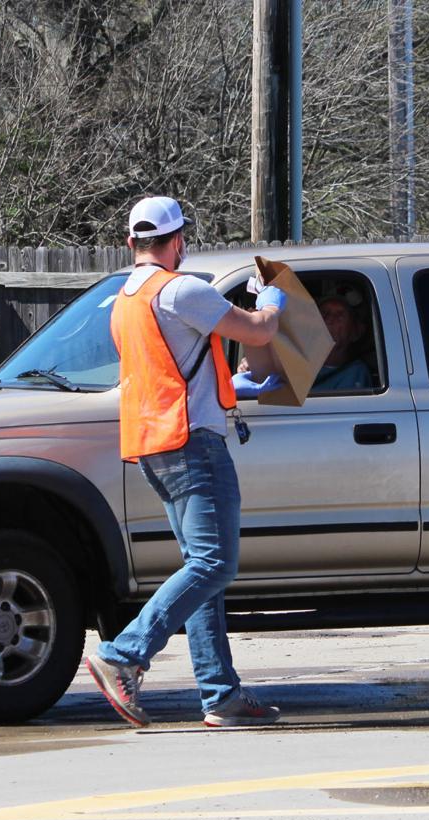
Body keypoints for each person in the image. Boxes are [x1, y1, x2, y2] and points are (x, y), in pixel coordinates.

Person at [84, 195, 284, 729]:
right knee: (214, 564)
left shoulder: (125, 297)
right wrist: (275, 299)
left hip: (153, 443)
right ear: (178, 241)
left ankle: (222, 696)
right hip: (191, 445)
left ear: (131, 242)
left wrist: (229, 383)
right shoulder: (182, 289)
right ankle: (121, 654)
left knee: (203, 570)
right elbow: (260, 331)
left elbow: (171, 367)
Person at [232, 293, 373, 396]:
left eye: (340, 315)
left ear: (356, 332)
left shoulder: (356, 373)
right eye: (324, 313)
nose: (329, 319)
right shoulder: (291, 361)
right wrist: (250, 370)